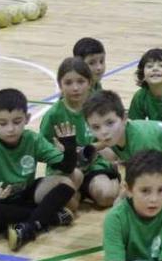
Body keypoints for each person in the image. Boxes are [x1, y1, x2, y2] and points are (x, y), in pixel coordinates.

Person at [0, 89, 78, 250]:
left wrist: (70, 147)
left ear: (27, 118)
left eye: (17, 122)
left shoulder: (32, 139)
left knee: (67, 181)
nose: (10, 129)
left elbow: (66, 167)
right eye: (3, 123)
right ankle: (46, 216)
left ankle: (28, 228)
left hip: (26, 195)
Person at [41, 58, 120, 209]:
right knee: (70, 206)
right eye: (68, 83)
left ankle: (112, 174)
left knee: (106, 197)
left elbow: (110, 137)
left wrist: (89, 149)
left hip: (92, 164)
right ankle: (80, 191)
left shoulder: (98, 108)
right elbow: (42, 147)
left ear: (90, 83)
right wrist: (58, 152)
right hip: (65, 169)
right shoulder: (53, 115)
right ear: (60, 85)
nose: (75, 88)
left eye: (81, 81)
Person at [83, 90, 162, 187]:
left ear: (124, 119)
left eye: (110, 123)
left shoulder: (140, 138)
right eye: (96, 127)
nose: (104, 132)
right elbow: (98, 146)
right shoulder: (114, 135)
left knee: (161, 174)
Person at [102, 150, 162, 261]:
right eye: (145, 190)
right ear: (129, 189)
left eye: (161, 190)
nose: (154, 199)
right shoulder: (115, 219)